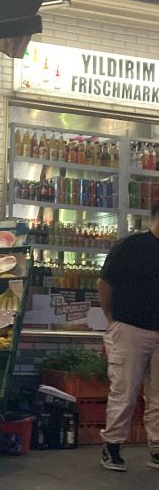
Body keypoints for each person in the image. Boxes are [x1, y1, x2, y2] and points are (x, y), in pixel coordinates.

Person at [97, 201, 159, 471]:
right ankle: (112, 445)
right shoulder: (131, 246)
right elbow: (104, 283)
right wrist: (111, 321)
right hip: (130, 328)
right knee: (125, 391)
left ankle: (156, 447)